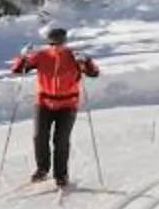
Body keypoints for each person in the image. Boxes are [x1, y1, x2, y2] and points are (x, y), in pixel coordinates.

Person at [8, 25, 102, 191]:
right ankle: (43, 169)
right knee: (39, 137)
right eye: (52, 43)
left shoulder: (74, 57)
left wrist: (86, 61)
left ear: (65, 42)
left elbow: (94, 73)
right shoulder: (41, 56)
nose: (55, 46)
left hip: (67, 105)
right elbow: (17, 70)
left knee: (60, 140)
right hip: (44, 103)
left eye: (59, 43)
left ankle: (61, 175)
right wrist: (23, 56)